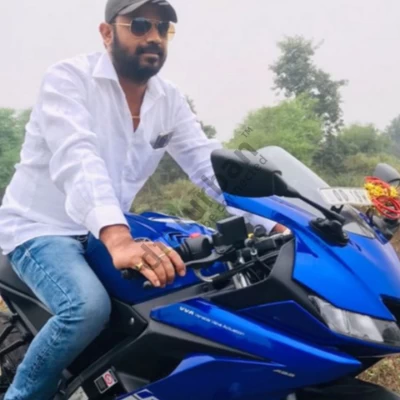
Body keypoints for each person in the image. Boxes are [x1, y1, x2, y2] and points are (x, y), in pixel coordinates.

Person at [0, 0, 284, 398]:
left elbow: (206, 164)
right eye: (139, 25)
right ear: (106, 33)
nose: (153, 36)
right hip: (43, 228)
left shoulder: (168, 99)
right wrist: (118, 239)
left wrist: (274, 220)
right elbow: (77, 157)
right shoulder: (68, 79)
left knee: (193, 289)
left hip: (110, 227)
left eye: (163, 27)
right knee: (87, 308)